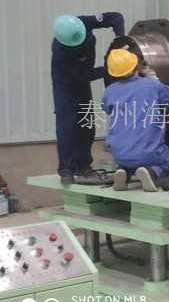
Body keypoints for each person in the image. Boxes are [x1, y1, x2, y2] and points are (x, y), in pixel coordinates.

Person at [51, 13, 125, 185]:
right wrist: (108, 69)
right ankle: (66, 170)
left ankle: (83, 167)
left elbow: (116, 17)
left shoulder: (84, 22)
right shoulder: (61, 53)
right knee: (68, 127)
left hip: (82, 85)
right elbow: (82, 76)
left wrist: (120, 39)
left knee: (87, 126)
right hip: (66, 87)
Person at [101, 49, 169, 192]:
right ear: (136, 67)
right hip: (148, 153)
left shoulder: (109, 90)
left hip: (118, 154)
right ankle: (151, 172)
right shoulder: (152, 85)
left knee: (130, 157)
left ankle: (124, 172)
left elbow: (106, 108)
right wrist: (154, 80)